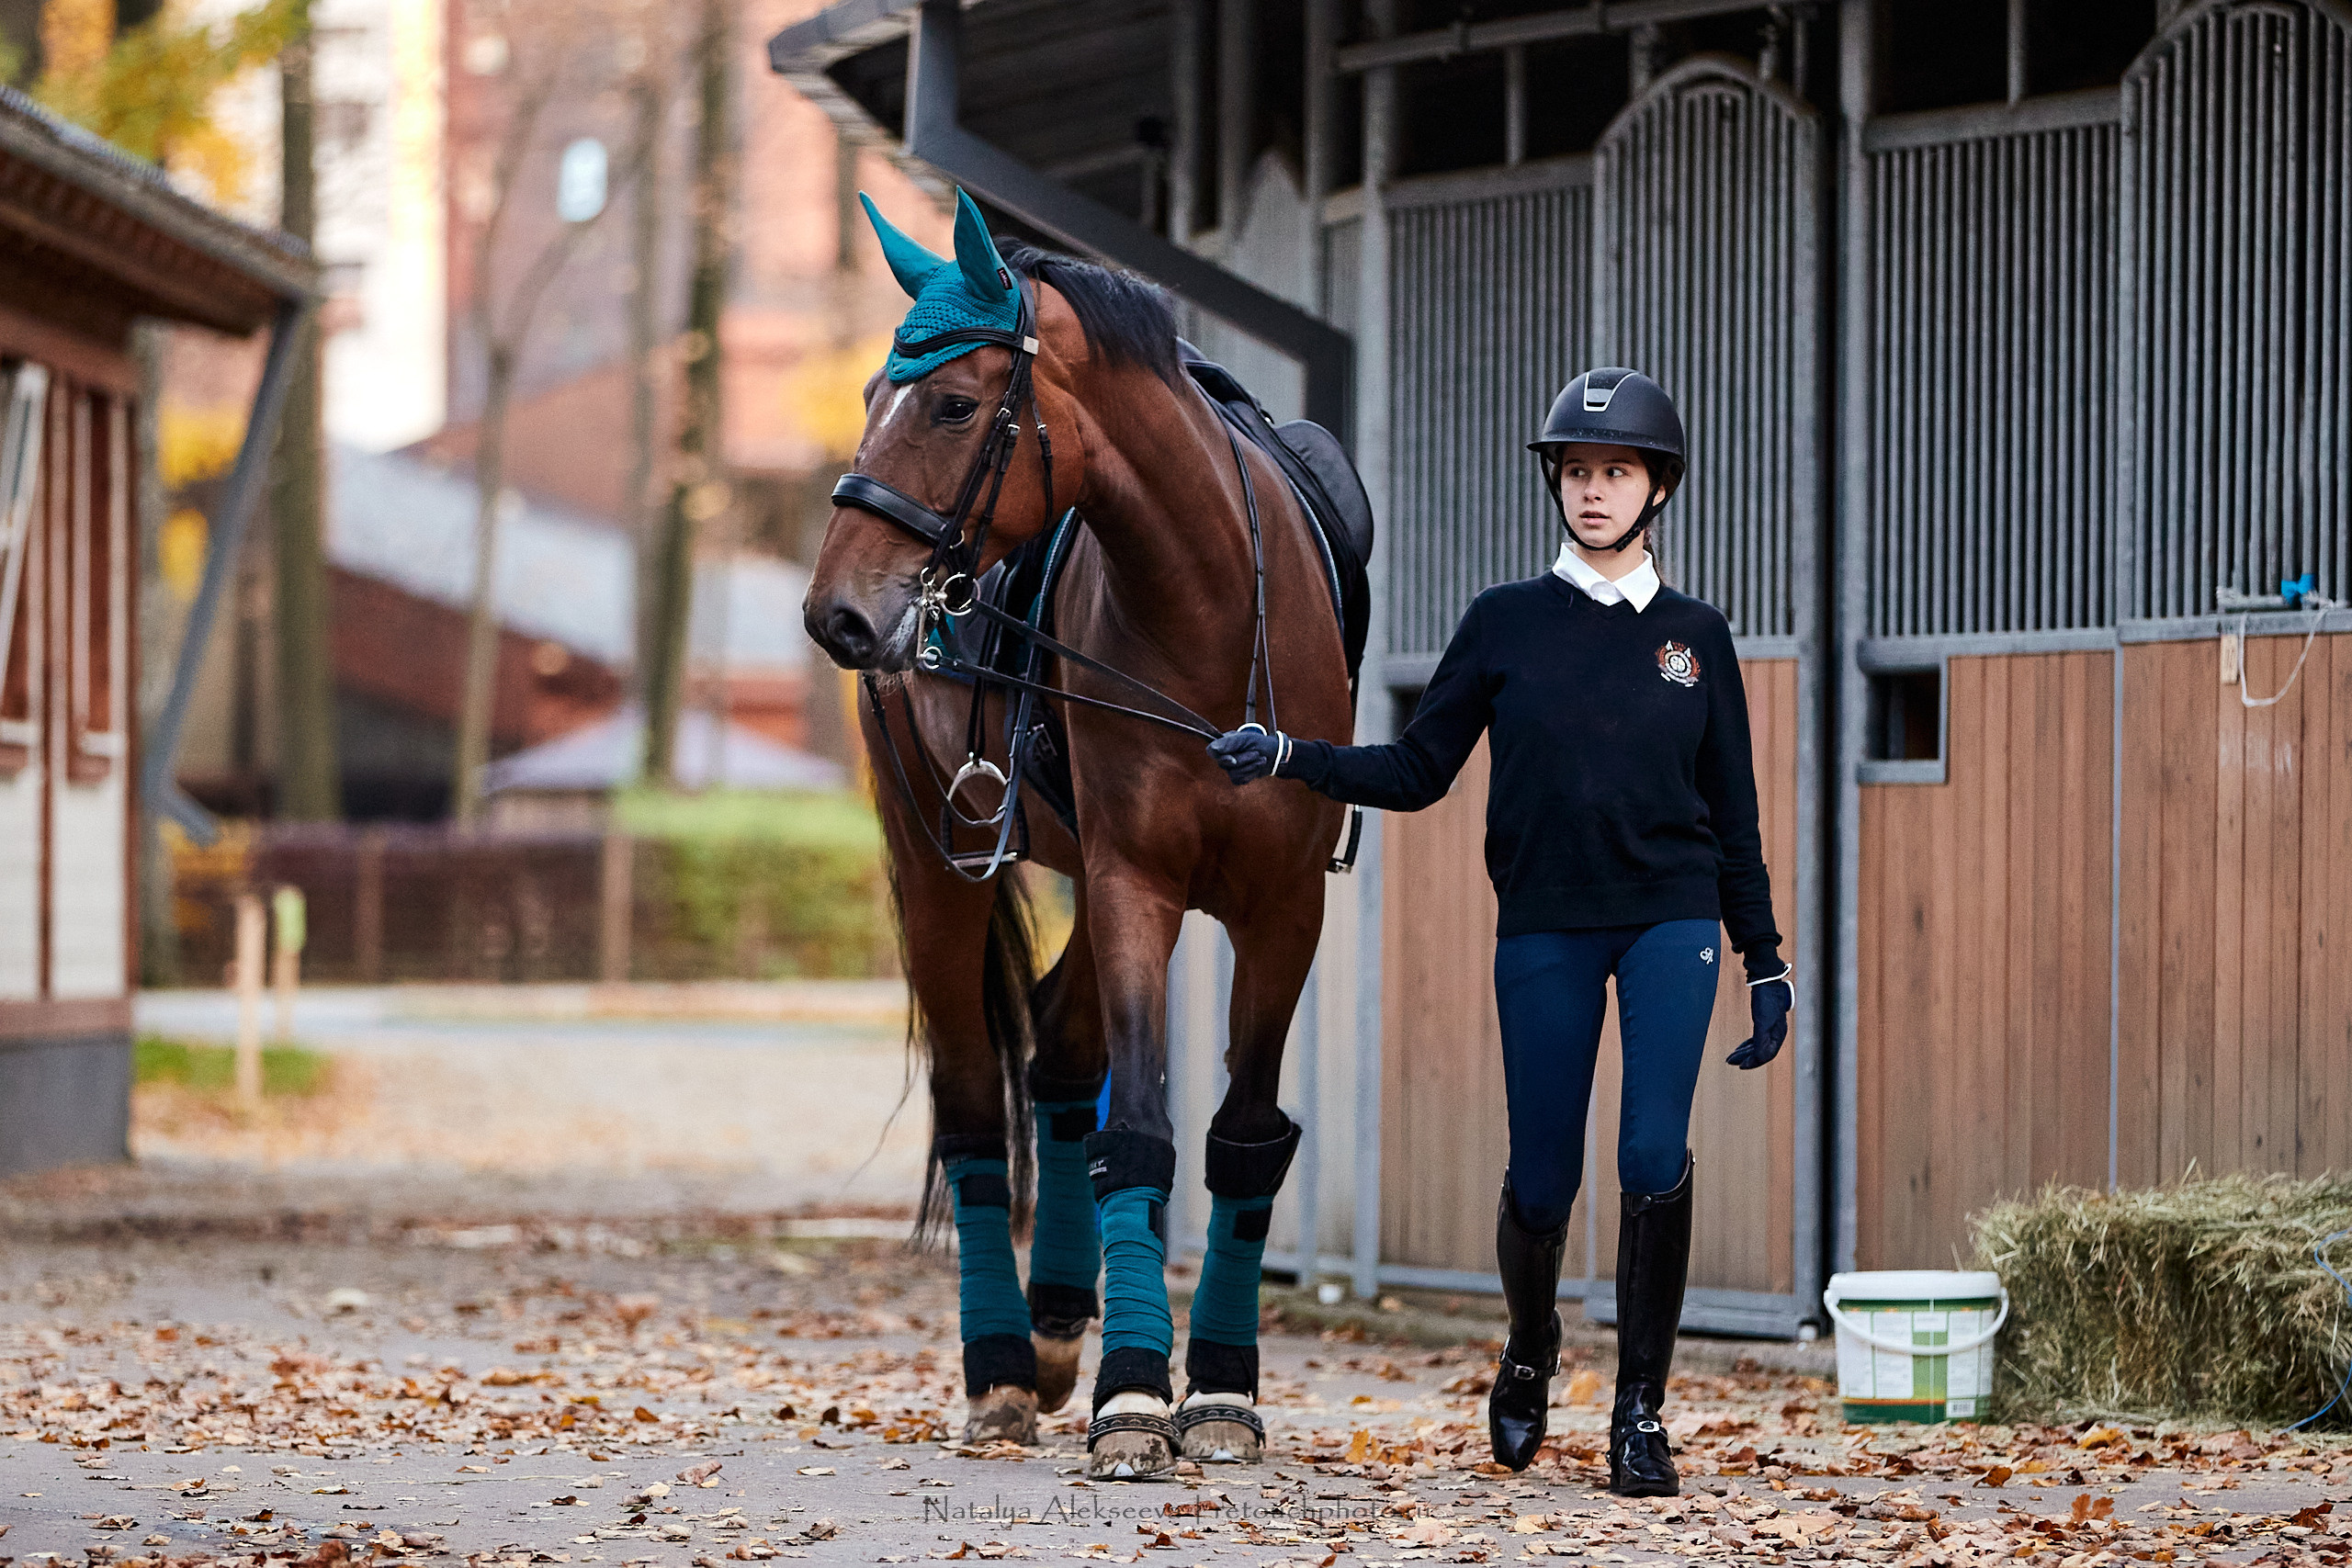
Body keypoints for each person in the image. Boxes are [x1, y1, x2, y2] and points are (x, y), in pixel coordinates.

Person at [1206, 368, 1792, 1496]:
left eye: (1615, 472)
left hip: (1670, 918)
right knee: (1540, 1179)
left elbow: (1734, 815)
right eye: (1575, 472)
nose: (1592, 491)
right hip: (1544, 923)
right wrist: (1291, 755)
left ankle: (1639, 1413)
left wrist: (1764, 961)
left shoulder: (1696, 637)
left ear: (1658, 489)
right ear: (1555, 485)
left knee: (1652, 1156)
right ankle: (1529, 1349)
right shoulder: (1502, 622)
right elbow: (1417, 769)